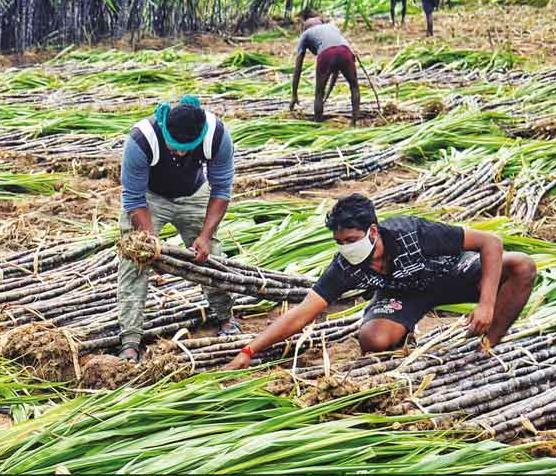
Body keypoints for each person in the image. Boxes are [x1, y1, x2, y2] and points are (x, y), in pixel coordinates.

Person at [225, 194, 536, 370]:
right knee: (373, 340)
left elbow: (491, 242)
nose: (345, 247)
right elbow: (302, 313)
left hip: (452, 275)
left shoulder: (414, 233)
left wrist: (486, 304)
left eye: (350, 239)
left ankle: (486, 349)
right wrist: (249, 351)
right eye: (339, 241)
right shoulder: (346, 265)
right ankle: (403, 337)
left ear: (372, 231)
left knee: (522, 266)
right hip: (403, 294)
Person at [118, 95, 236, 361]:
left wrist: (205, 236)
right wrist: (149, 238)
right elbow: (133, 197)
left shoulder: (217, 136)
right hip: (149, 199)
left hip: (193, 193)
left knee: (213, 257)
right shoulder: (141, 139)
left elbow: (221, 189)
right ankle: (130, 340)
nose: (181, 153)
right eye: (175, 147)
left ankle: (225, 317)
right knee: (134, 258)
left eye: (186, 148)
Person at [290, 17, 360, 125]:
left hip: (326, 54)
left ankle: (318, 123)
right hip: (345, 51)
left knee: (318, 93)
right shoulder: (332, 27)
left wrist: (294, 95)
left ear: (305, 28)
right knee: (354, 86)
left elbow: (298, 67)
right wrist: (328, 92)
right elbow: (336, 68)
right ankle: (354, 122)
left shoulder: (305, 34)